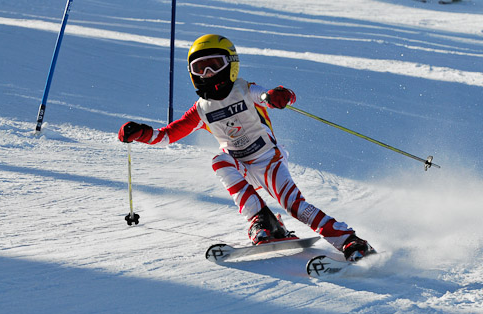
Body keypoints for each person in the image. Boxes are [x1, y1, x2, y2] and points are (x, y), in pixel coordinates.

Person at [118, 34, 373, 261]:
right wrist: (140, 133)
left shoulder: (244, 89)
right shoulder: (201, 109)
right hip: (239, 165)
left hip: (268, 161)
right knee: (220, 160)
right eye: (199, 69)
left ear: (231, 64)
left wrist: (278, 96)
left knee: (295, 206)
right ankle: (263, 221)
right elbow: (166, 136)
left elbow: (268, 96)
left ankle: (350, 241)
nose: (207, 73)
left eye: (214, 65)